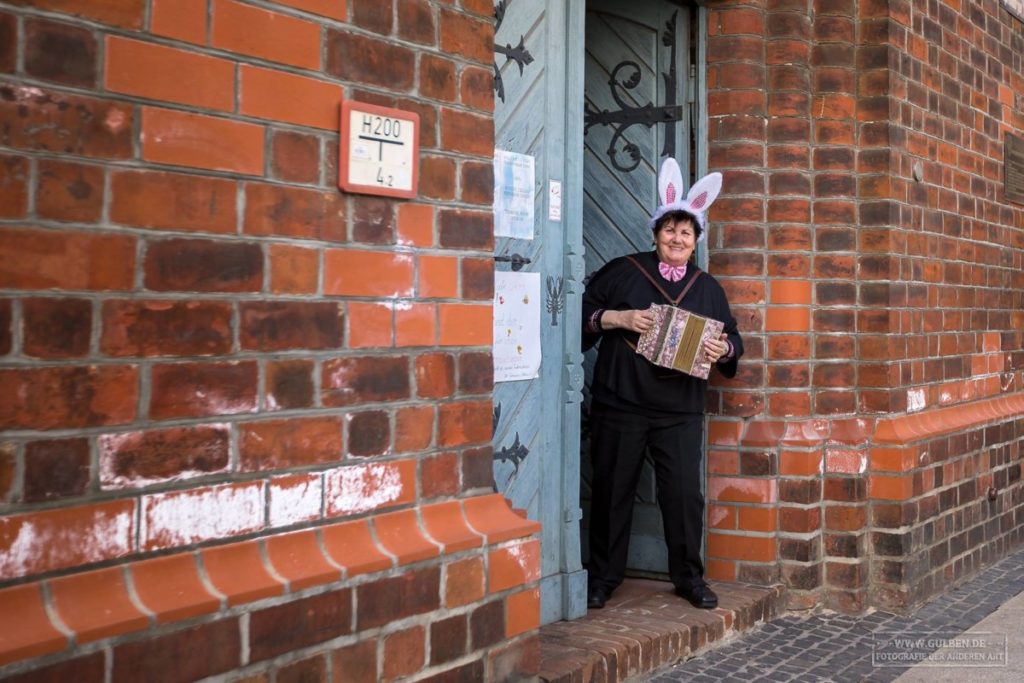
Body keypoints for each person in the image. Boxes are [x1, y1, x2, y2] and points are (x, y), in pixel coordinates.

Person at [581, 160, 743, 610]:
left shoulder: (707, 286)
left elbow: (732, 338)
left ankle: (689, 579)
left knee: (683, 497)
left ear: (696, 241)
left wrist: (722, 351)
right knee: (612, 491)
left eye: (686, 233)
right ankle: (602, 579)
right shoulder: (623, 271)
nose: (676, 239)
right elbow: (579, 315)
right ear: (656, 233)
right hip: (622, 401)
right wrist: (617, 318)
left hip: (679, 409)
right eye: (669, 230)